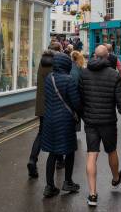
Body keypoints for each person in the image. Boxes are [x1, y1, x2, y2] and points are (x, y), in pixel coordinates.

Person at [80, 45, 121, 207]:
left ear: (95, 56)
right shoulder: (114, 75)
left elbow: (79, 97)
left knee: (92, 154)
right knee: (111, 151)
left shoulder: (84, 73)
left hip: (90, 121)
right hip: (108, 122)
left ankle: (93, 195)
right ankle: (116, 178)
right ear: (107, 56)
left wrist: (84, 114)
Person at [41, 53, 83, 197]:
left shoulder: (49, 78)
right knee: (69, 151)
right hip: (65, 120)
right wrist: (81, 114)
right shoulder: (69, 80)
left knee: (53, 152)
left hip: (49, 118)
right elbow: (76, 102)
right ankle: (68, 182)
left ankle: (49, 186)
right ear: (66, 65)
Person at [27, 42, 63, 178]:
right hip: (55, 104)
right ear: (58, 51)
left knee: (41, 133)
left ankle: (32, 159)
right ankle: (60, 161)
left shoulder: (42, 63)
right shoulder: (57, 64)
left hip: (42, 105)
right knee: (58, 132)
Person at [70, 51, 85, 132]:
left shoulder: (69, 67)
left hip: (71, 95)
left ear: (72, 58)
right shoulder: (81, 68)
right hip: (79, 96)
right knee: (76, 114)